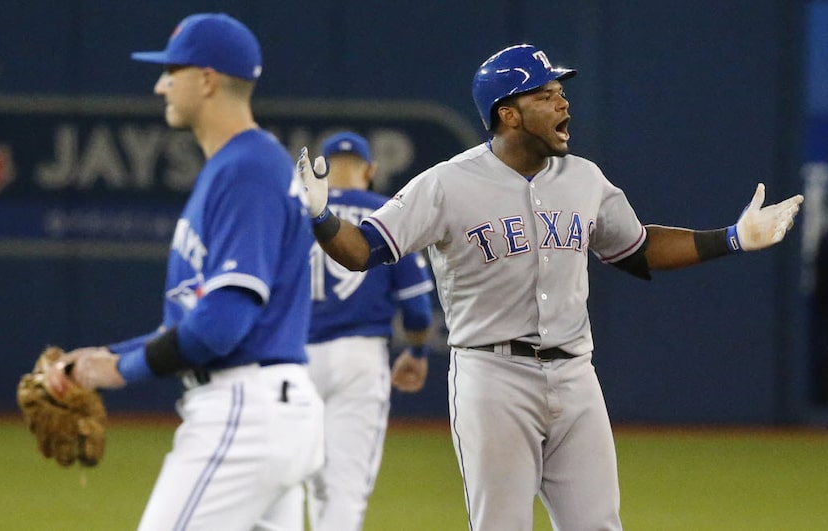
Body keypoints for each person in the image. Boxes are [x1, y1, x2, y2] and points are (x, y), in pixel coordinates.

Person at [297, 44, 804, 531]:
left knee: (599, 525)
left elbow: (639, 247)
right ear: (508, 114)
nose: (562, 101)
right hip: (491, 375)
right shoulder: (446, 184)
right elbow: (362, 250)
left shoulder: (584, 178)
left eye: (560, 91)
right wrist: (321, 217)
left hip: (575, 374)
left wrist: (734, 238)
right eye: (544, 93)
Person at [45, 13, 324, 531]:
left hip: (245, 411)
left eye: (170, 71)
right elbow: (196, 321)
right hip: (265, 407)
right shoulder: (236, 166)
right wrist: (102, 360)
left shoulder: (248, 168)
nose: (159, 85)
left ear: (207, 79)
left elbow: (220, 326)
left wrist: (120, 370)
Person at [303, 131, 435, 531]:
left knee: (307, 481)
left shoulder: (295, 215)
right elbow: (416, 311)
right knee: (346, 489)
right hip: (359, 360)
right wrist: (417, 353)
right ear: (371, 169)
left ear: (321, 171)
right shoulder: (387, 213)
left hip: (293, 360)